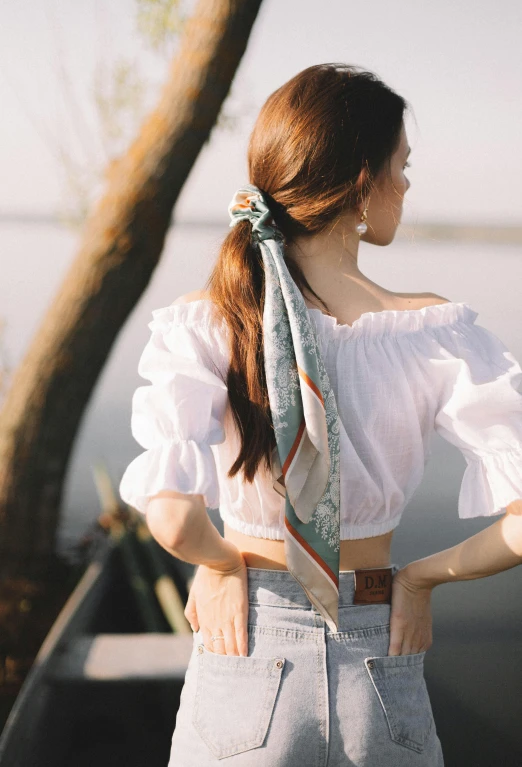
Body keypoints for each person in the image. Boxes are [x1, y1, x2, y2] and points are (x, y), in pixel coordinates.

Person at [119, 63, 522, 766]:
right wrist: (421, 579)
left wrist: (217, 563)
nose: (408, 184)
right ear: (363, 183)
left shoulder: (208, 321)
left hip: (244, 645)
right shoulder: (436, 334)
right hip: (381, 648)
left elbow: (175, 520)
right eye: (403, 165)